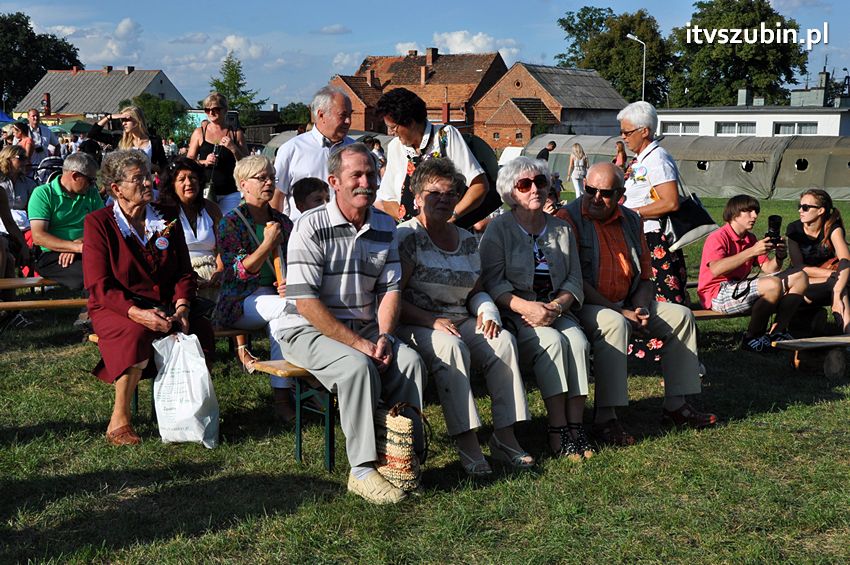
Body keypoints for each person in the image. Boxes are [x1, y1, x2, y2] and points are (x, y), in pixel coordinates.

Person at [278, 143, 426, 504]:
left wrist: (387, 337)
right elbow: (306, 303)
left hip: (365, 326)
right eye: (356, 175)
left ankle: (404, 460)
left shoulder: (385, 226)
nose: (366, 182)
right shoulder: (309, 227)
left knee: (410, 362)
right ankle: (361, 470)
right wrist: (361, 345)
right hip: (305, 328)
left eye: (372, 175)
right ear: (334, 182)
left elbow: (391, 290)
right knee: (357, 367)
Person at [563, 163, 717, 444]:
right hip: (584, 304)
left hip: (629, 302)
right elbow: (575, 280)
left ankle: (676, 405)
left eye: (605, 193)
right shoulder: (569, 217)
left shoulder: (632, 221)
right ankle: (605, 418)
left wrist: (641, 307)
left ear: (620, 194)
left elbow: (646, 276)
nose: (596, 198)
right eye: (590, 190)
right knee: (614, 323)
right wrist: (621, 311)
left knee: (681, 315)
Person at [396, 158, 533, 475]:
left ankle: (505, 436)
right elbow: (393, 297)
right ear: (416, 197)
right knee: (453, 349)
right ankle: (467, 441)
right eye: (434, 193)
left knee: (504, 343)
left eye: (450, 193)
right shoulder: (406, 237)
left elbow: (476, 291)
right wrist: (431, 321)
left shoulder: (468, 239)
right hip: (415, 322)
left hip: (460, 318)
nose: (443, 199)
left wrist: (487, 310)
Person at [82, 150, 215, 445]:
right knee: (136, 333)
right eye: (137, 179)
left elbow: (183, 272)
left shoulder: (167, 217)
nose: (147, 183)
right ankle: (119, 418)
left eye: (147, 176)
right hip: (116, 306)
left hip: (165, 303)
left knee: (200, 329)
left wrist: (182, 306)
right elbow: (98, 285)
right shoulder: (99, 223)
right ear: (116, 189)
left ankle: (188, 410)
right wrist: (136, 312)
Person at [479, 157, 593, 461]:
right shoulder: (498, 230)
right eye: (525, 184)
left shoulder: (561, 229)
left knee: (579, 343)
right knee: (553, 343)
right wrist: (525, 307)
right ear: (511, 193)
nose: (535, 189)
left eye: (541, 182)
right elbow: (492, 281)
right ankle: (557, 428)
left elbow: (574, 280)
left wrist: (555, 306)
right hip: (516, 314)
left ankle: (576, 426)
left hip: (556, 309)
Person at [212, 155, 296, 421]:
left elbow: (297, 261)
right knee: (285, 310)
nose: (269, 182)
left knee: (283, 316)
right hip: (241, 299)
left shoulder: (283, 221)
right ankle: (284, 396)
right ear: (243, 185)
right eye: (261, 178)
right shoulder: (230, 223)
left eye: (271, 177)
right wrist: (267, 243)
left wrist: (291, 283)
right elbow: (238, 271)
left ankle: (301, 387)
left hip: (277, 296)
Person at [698, 195, 808, 352]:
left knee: (800, 276)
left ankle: (777, 332)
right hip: (716, 293)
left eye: (756, 211)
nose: (755, 216)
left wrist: (779, 256)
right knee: (772, 285)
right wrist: (751, 251)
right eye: (748, 211)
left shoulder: (750, 238)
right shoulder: (718, 237)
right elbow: (716, 269)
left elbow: (770, 269)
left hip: (738, 287)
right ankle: (751, 338)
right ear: (734, 213)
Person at [376, 88, 489, 229]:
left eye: (393, 127)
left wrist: (451, 216)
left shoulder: (445, 136)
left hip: (447, 235)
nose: (391, 133)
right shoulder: (395, 147)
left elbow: (479, 185)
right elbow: (388, 199)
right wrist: (412, 225)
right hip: (412, 238)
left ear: (410, 122)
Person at [618, 102, 688, 306]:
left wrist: (633, 213)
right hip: (642, 236)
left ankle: (671, 336)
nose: (623, 136)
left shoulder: (657, 158)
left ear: (645, 131)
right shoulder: (642, 158)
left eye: (627, 131)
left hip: (655, 239)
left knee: (664, 296)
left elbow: (671, 201)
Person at [272, 86, 354, 220]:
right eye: (343, 115)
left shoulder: (355, 150)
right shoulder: (293, 149)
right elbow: (277, 195)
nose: (348, 121)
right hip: (305, 234)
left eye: (350, 114)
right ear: (321, 115)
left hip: (346, 232)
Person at [27, 152, 103, 290]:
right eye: (90, 180)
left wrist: (79, 243)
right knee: (93, 273)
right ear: (75, 176)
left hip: (86, 248)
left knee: (108, 267)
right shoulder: (43, 194)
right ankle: (93, 310)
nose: (93, 185)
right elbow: (38, 237)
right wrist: (76, 247)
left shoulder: (91, 193)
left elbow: (102, 227)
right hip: (51, 254)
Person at [157, 157, 223, 300]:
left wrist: (219, 270)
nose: (189, 183)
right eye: (182, 179)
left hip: (214, 275)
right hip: (181, 276)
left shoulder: (212, 209)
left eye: (193, 177)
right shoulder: (162, 213)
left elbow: (223, 246)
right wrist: (188, 278)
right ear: (172, 184)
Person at [787, 189, 850, 333]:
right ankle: (847, 334)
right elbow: (798, 267)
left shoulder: (832, 228)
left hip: (831, 277)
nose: (800, 211)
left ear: (820, 210)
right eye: (800, 206)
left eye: (805, 207)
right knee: (838, 283)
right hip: (801, 279)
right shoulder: (794, 230)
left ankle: (846, 335)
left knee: (841, 288)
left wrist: (837, 291)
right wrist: (831, 275)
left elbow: (846, 260)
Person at [188, 92, 248, 215]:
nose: (211, 113)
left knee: (228, 226)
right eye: (207, 110)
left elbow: (247, 163)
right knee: (207, 226)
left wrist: (233, 148)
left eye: (216, 109)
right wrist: (204, 162)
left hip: (230, 191)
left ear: (225, 110)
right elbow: (188, 161)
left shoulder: (236, 133)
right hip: (205, 190)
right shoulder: (200, 133)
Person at [88, 106, 168, 173]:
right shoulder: (120, 139)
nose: (123, 123)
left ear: (138, 120)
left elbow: (164, 168)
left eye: (127, 120)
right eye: (122, 120)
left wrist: (149, 164)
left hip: (146, 185)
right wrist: (109, 117)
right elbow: (93, 134)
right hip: (125, 186)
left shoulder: (154, 141)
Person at [0, 145, 35, 274]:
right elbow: (7, 220)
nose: (26, 162)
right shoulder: (1, 184)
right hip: (3, 227)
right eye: (21, 158)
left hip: (22, 225)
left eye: (27, 158)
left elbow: (33, 209)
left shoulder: (29, 183)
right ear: (7, 159)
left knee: (34, 235)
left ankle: (33, 276)